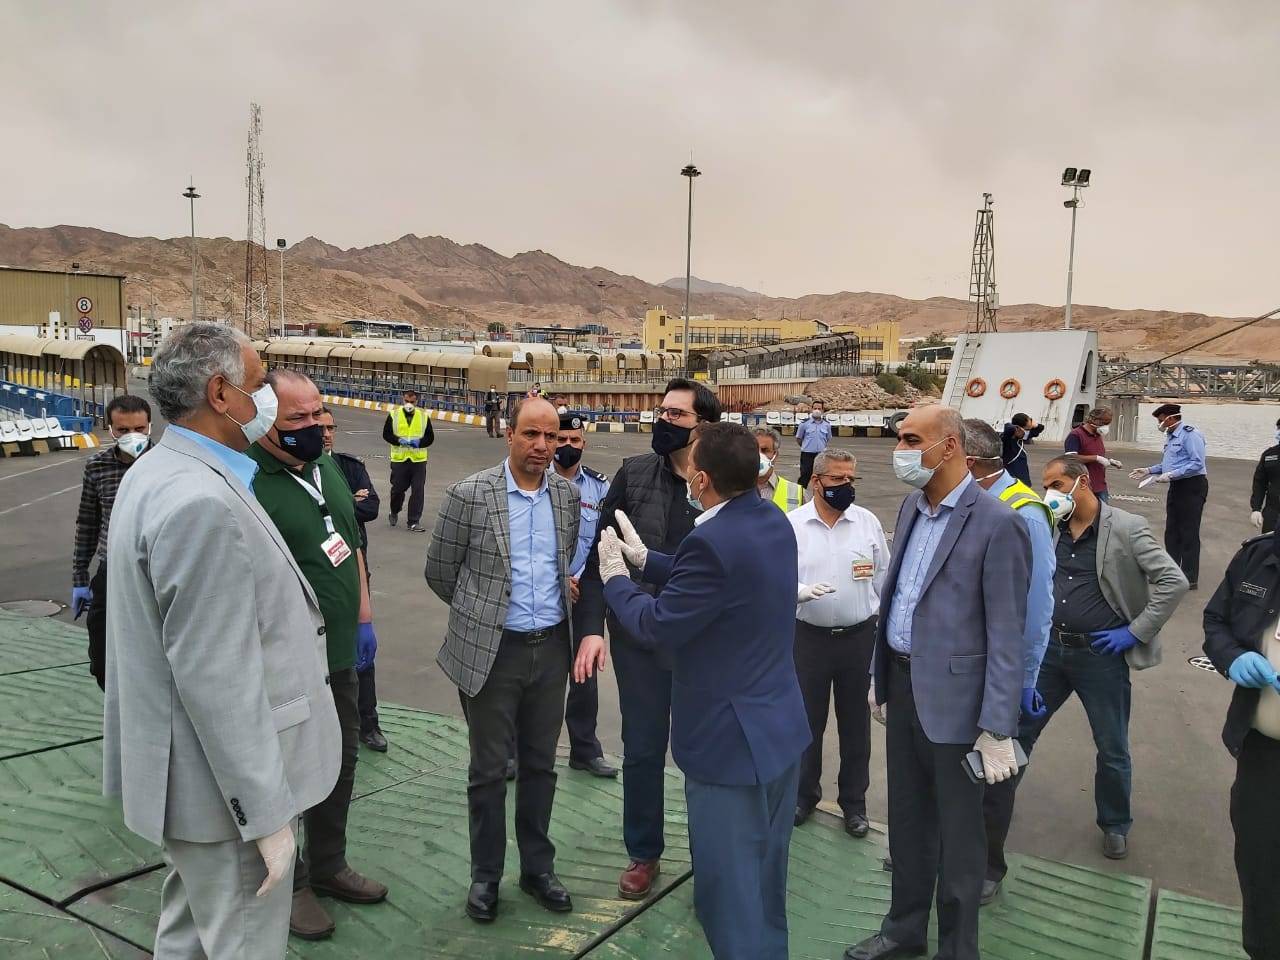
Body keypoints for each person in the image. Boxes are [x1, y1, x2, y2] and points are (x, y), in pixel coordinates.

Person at [103, 323, 340, 958]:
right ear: (220, 393)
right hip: (224, 800)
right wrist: (264, 815)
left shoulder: (159, 471)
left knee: (188, 936)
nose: (267, 397)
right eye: (258, 383)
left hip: (193, 791)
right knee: (242, 944)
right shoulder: (201, 501)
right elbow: (218, 678)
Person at [585, 421, 811, 960]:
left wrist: (617, 578)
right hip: (778, 732)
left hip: (729, 746)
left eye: (691, 465)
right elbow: (720, 577)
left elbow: (657, 626)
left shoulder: (710, 539)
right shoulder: (770, 518)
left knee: (728, 892)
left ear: (703, 479)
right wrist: (649, 560)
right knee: (764, 881)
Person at [846, 404, 1030, 960]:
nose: (899, 451)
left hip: (959, 708)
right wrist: (880, 675)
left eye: (910, 440)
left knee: (959, 838)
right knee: (907, 823)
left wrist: (997, 726)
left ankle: (956, 948)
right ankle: (904, 931)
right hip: (904, 691)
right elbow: (899, 596)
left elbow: (1008, 633)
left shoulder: (999, 523)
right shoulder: (910, 506)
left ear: (949, 446)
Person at [425, 397, 580, 924]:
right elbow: (440, 571)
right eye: (532, 434)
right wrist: (484, 615)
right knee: (489, 771)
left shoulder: (566, 496)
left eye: (551, 437)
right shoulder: (470, 495)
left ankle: (537, 869)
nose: (543, 446)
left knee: (541, 765)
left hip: (551, 649)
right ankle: (485, 876)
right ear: (509, 434)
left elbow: (563, 561)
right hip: (493, 653)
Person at [246, 369, 388, 940]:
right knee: (288, 772)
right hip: (286, 662)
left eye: (316, 414)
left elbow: (351, 542)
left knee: (339, 760)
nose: (312, 427)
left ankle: (329, 864)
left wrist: (364, 618)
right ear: (264, 419)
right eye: (296, 418)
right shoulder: (250, 480)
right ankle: (292, 882)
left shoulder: (325, 467)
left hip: (339, 653)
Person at [576, 377, 722, 900]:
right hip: (639, 637)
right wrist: (591, 629)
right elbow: (602, 554)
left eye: (675, 414)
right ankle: (644, 853)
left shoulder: (724, 483)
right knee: (642, 748)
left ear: (703, 426)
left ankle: (711, 858)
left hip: (702, 644)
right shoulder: (634, 473)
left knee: (704, 753)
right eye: (661, 412)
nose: (663, 420)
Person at [1008, 456, 1187, 867]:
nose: (1049, 494)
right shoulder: (1050, 527)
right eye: (1045, 486)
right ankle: (996, 802)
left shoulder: (1126, 527)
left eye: (1056, 484)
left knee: (1111, 744)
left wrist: (1135, 631)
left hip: (1100, 657)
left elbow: (1172, 581)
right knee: (1020, 728)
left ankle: (1115, 823)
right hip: (1049, 653)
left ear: (1082, 482)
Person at [960, 420, 1053, 903]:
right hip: (957, 665)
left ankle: (987, 865)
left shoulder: (1024, 513)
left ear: (967, 461)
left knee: (993, 770)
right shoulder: (963, 502)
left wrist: (1024, 679)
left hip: (997, 668)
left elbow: (1035, 609)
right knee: (951, 765)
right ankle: (942, 848)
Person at [789, 448, 887, 839]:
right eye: (837, 479)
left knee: (856, 726)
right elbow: (776, 577)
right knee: (805, 723)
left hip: (859, 639)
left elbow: (884, 578)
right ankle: (802, 796)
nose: (846, 486)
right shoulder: (793, 525)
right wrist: (800, 591)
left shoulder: (867, 523)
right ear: (816, 481)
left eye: (851, 479)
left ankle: (854, 804)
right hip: (807, 639)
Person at [1203, 524, 1280, 960]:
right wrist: (1234, 657)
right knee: (1258, 861)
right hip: (1263, 752)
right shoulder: (1260, 557)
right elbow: (1217, 620)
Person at [549, 412, 617, 778]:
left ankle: (584, 749)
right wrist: (560, 578)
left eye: (573, 441)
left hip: (586, 590)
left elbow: (605, 541)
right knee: (536, 673)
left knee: (584, 674)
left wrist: (581, 579)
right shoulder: (537, 481)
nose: (567, 446)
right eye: (560, 439)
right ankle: (518, 749)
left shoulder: (599, 488)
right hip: (545, 588)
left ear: (583, 443)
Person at [71, 393, 152, 691]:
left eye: (139, 429)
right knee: (102, 656)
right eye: (123, 430)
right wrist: (80, 577)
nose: (133, 436)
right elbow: (88, 522)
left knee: (150, 651)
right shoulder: (97, 466)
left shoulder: (165, 463)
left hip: (154, 568)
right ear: (110, 430)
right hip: (112, 569)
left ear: (150, 426)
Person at [319, 408, 388, 754]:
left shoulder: (348, 467)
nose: (326, 433)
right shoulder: (297, 471)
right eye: (320, 427)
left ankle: (368, 723)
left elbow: (371, 508)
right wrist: (349, 499)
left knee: (362, 651)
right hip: (314, 574)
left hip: (353, 569)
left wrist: (333, 505)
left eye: (330, 427)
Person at [1129, 402, 1208, 588]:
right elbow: (1169, 464)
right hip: (1176, 486)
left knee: (1188, 531)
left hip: (1192, 485)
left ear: (1171, 419)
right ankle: (1170, 573)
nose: (1160, 424)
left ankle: (1189, 577)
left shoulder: (1190, 435)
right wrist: (1148, 470)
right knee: (1172, 531)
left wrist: (1171, 474)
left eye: (1161, 420)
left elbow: (1197, 463)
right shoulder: (1171, 436)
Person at [382, 388, 434, 532]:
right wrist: (398, 440)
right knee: (398, 490)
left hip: (418, 460)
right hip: (400, 459)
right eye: (406, 401)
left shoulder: (423, 416)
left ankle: (413, 521)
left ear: (417, 401)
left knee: (418, 490)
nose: (409, 404)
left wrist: (420, 442)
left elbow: (430, 437)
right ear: (402, 400)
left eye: (412, 401)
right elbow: (386, 434)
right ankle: (394, 510)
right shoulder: (394, 414)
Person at [1064, 406, 1123, 502]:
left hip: (1100, 486)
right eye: (1104, 423)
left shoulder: (1097, 435)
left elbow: (1094, 454)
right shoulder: (1076, 435)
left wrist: (1110, 461)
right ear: (1094, 420)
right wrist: (1096, 458)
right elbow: (1070, 458)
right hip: (1083, 486)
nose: (1106, 427)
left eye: (1107, 424)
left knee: (1104, 511)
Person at [755, 426, 806, 511]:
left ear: (775, 455)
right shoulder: (732, 493)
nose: (758, 456)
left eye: (765, 450)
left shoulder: (797, 494)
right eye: (753, 450)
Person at [1249, 416, 1280, 534]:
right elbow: (1260, 483)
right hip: (1273, 512)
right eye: (1279, 428)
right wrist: (1256, 508)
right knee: (1270, 543)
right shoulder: (1269, 455)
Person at [1000, 412, 1045, 485]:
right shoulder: (1009, 436)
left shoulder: (1021, 435)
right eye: (1029, 420)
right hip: (1013, 469)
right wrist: (1017, 428)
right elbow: (1008, 427)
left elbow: (1040, 428)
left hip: (1021, 470)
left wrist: (1033, 425)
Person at [795, 400, 831, 488]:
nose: (817, 410)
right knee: (805, 476)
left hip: (821, 455)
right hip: (807, 454)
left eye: (819, 408)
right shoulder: (804, 424)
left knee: (821, 477)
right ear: (811, 409)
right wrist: (806, 446)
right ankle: (801, 494)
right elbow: (799, 438)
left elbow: (828, 438)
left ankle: (819, 494)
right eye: (815, 408)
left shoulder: (827, 425)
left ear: (823, 410)